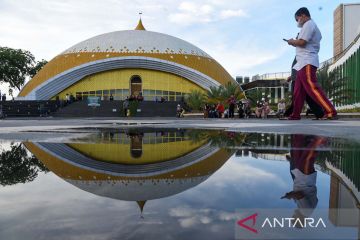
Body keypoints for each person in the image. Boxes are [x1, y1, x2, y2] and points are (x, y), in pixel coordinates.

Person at [286, 7, 337, 120]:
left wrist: (291, 42)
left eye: (297, 18)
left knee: (312, 87)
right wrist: (295, 42)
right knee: (298, 92)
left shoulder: (308, 24)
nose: (297, 21)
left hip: (307, 61)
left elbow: (303, 42)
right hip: (302, 63)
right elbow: (304, 42)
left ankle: (331, 111)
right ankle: (295, 115)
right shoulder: (310, 25)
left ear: (303, 16)